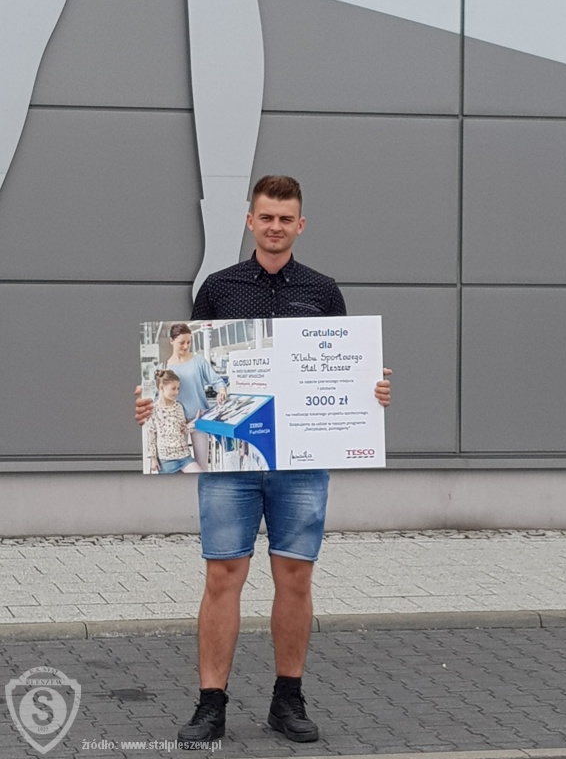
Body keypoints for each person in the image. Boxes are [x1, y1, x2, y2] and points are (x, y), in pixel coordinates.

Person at [135, 175, 391, 748]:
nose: (275, 227)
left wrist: (369, 392)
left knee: (295, 577)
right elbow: (187, 373)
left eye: (286, 218)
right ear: (250, 221)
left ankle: (287, 700)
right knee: (222, 575)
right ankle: (210, 705)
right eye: (266, 217)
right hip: (231, 462)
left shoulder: (323, 292)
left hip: (301, 462)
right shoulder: (218, 289)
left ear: (301, 225)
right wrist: (154, 401)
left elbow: (344, 370)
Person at [165, 323, 227, 472]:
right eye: (182, 342)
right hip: (177, 424)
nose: (186, 346)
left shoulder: (198, 361)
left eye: (189, 342)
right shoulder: (166, 367)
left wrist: (221, 390)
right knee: (178, 467)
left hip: (199, 420)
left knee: (202, 467)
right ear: (171, 341)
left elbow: (217, 381)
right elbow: (160, 397)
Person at [146, 369, 202, 474]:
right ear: (161, 388)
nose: (176, 392)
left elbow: (183, 429)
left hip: (185, 456)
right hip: (166, 460)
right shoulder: (153, 410)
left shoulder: (179, 406)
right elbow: (151, 436)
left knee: (201, 477)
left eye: (178, 388)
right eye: (173, 388)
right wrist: (153, 459)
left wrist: (196, 422)